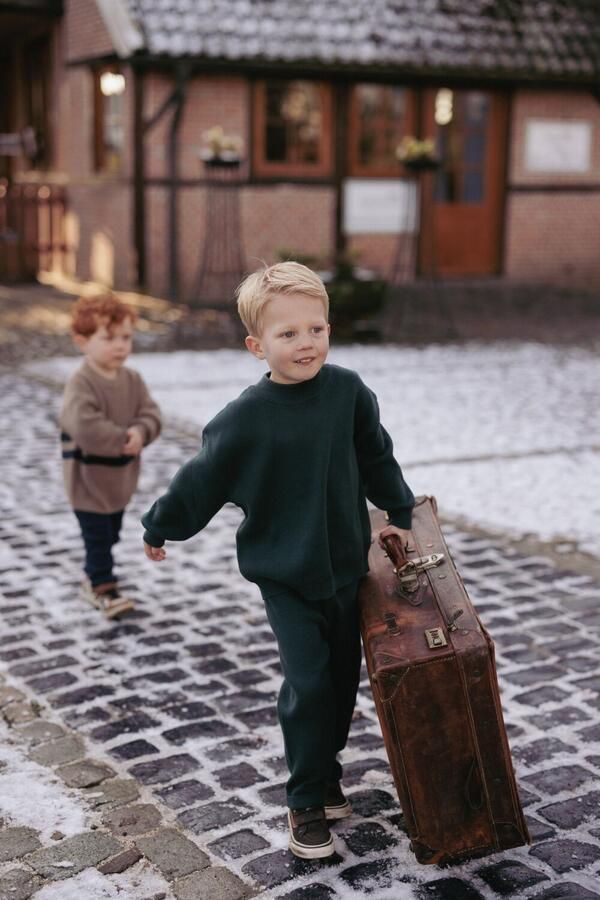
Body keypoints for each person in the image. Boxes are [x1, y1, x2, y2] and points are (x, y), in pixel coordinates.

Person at [141, 262, 414, 859]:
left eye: (315, 329)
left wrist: (398, 506)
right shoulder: (246, 418)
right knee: (309, 682)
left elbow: (376, 454)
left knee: (342, 683)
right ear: (255, 345)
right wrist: (162, 524)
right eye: (287, 334)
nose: (305, 343)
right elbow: (201, 479)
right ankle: (303, 800)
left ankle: (327, 773)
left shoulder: (347, 392)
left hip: (348, 567)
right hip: (285, 577)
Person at [60, 294, 161, 619]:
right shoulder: (82, 383)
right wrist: (121, 438)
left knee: (111, 532)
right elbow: (83, 426)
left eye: (126, 338)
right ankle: (102, 585)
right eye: (108, 338)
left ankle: (95, 573)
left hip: (119, 480)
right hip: (87, 482)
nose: (120, 346)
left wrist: (141, 432)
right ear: (82, 341)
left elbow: (151, 413)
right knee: (98, 538)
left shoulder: (132, 380)